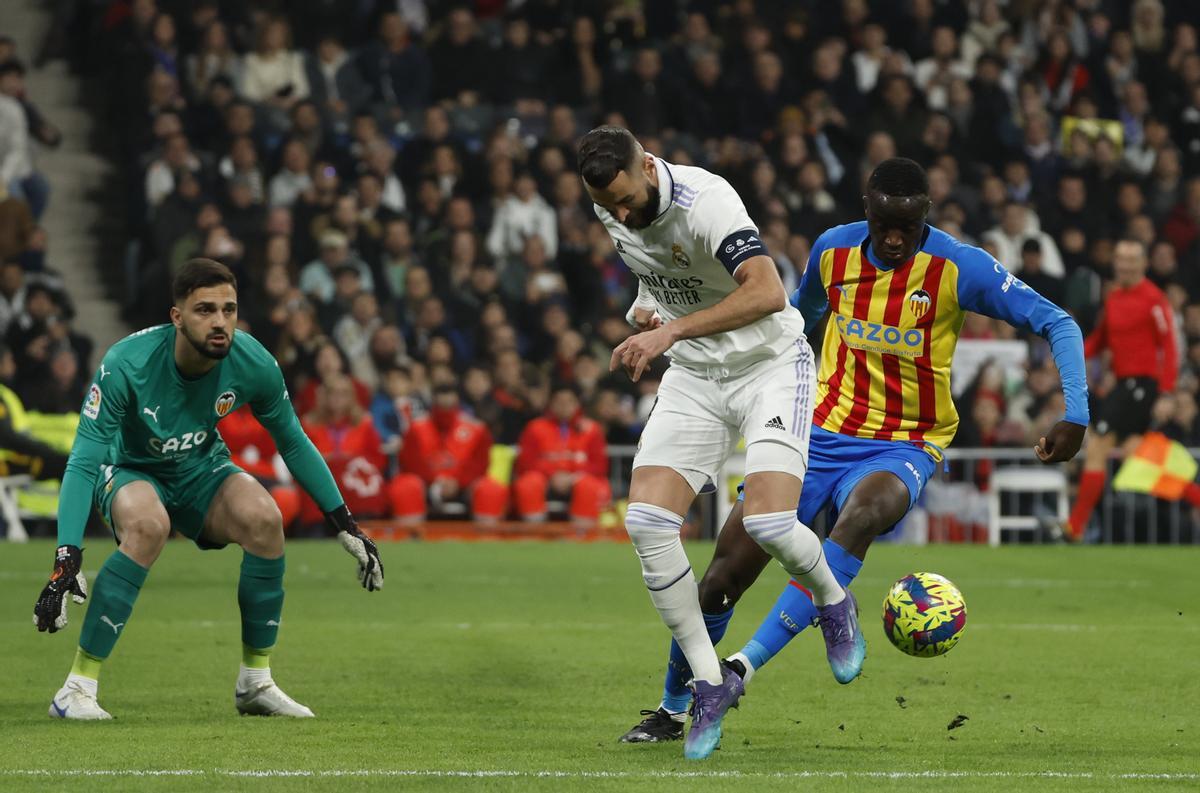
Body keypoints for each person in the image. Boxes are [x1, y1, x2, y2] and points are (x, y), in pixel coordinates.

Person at [619, 157, 1089, 744]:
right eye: (884, 224)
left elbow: (1058, 322)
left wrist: (1076, 412)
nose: (894, 239)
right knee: (722, 575)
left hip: (906, 442)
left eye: (908, 228)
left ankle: (740, 669)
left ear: (926, 219)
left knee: (863, 513)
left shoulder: (958, 267)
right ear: (866, 209)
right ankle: (669, 709)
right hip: (818, 429)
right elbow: (794, 324)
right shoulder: (832, 253)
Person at [577, 125, 862, 761]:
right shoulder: (609, 201)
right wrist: (647, 311)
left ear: (648, 166)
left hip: (768, 364)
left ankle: (833, 599)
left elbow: (767, 292)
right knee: (647, 522)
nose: (619, 214)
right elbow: (661, 270)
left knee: (767, 522)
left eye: (627, 199)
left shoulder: (708, 199)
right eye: (608, 205)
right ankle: (708, 684)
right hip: (697, 374)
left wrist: (668, 330)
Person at [31, 259, 384, 721]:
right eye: (204, 310)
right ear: (177, 317)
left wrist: (345, 522)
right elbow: (83, 461)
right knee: (149, 525)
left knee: (266, 519)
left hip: (201, 467)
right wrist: (67, 556)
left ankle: (255, 682)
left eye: (228, 309)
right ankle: (76, 687)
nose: (220, 322)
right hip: (130, 469)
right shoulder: (127, 363)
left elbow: (293, 441)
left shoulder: (253, 362)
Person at [1064, 238, 1176, 540]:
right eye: (1121, 259)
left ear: (1143, 263)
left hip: (1142, 384)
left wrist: (1166, 393)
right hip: (1123, 385)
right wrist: (1068, 353)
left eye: (1131, 259)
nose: (1125, 265)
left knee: (1099, 443)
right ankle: (1194, 494)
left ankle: (1074, 528)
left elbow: (1169, 345)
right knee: (1137, 453)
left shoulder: (1154, 299)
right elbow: (1101, 338)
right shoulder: (1113, 298)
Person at [512, 383, 611, 523]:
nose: (564, 405)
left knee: (589, 486)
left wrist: (571, 476)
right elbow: (526, 463)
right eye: (559, 401)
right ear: (551, 403)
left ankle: (582, 537)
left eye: (569, 401)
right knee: (528, 483)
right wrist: (553, 474)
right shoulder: (535, 427)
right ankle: (533, 535)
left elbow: (599, 465)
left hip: (578, 479)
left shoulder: (592, 429)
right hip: (544, 479)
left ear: (577, 404)